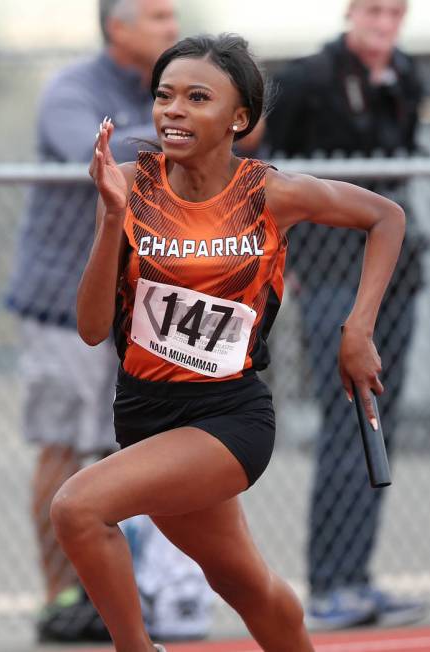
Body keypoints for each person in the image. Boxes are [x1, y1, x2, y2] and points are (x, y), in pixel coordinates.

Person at [47, 32, 407, 652]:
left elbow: (386, 216)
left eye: (196, 97)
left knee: (78, 508)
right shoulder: (131, 184)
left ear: (238, 118)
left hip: (228, 416)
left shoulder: (269, 193)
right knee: (244, 583)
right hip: (144, 415)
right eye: (163, 96)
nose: (173, 110)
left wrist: (358, 327)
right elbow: (88, 328)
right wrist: (110, 217)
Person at [6, 0, 211, 643]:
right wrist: (183, 126)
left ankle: (124, 597)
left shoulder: (170, 90)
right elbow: (98, 156)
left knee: (130, 447)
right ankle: (59, 596)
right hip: (61, 302)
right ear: (116, 27)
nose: (170, 28)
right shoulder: (73, 88)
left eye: (172, 17)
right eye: (155, 16)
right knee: (65, 443)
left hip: (142, 306)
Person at [265, 0, 426, 631]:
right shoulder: (309, 77)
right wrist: (289, 260)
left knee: (375, 418)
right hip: (331, 271)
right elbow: (272, 168)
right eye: (373, 10)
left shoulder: (404, 77)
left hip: (395, 272)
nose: (383, 22)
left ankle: (358, 576)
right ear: (352, 13)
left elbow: (391, 171)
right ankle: (330, 580)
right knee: (345, 417)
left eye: (395, 12)